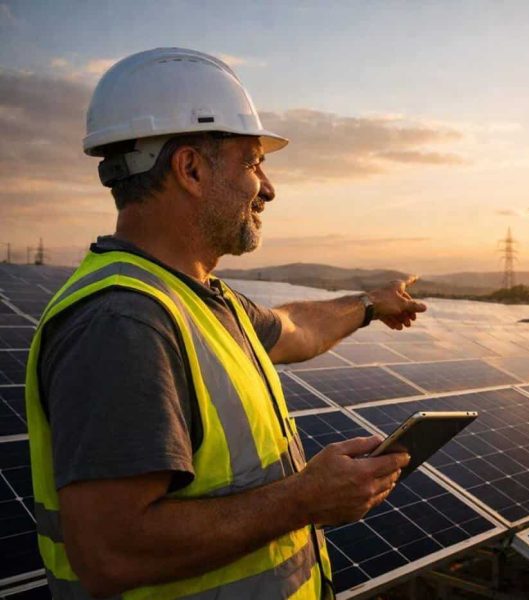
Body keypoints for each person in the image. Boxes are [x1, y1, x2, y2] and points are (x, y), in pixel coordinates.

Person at [25, 47, 427, 599]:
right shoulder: (124, 323)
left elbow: (295, 327)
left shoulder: (199, 300)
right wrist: (304, 499)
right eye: (251, 163)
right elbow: (111, 552)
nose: (267, 188)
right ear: (190, 169)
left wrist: (371, 304)